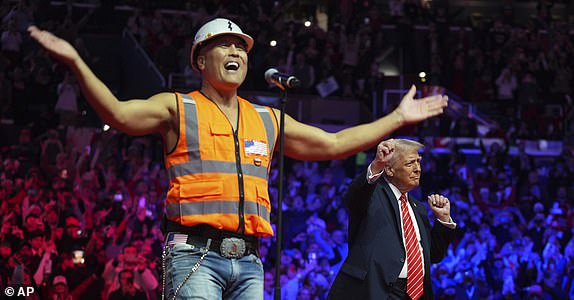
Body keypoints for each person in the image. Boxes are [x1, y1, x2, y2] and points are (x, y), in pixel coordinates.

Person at [28, 18, 448, 300]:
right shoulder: (177, 106)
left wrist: (396, 118)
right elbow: (117, 114)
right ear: (199, 60)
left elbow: (332, 144)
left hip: (248, 261)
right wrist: (75, 61)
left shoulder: (266, 118)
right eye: (222, 45)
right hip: (194, 257)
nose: (235, 51)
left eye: (241, 46)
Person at [328, 139, 456, 300]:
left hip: (414, 295)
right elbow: (354, 196)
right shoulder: (373, 195)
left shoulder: (419, 208)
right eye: (410, 163)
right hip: (375, 291)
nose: (417, 169)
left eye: (418, 162)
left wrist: (443, 221)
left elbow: (434, 255)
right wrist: (376, 165)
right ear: (389, 169)